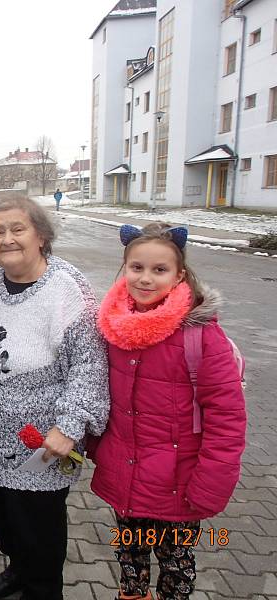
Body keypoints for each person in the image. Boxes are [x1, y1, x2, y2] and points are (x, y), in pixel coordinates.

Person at [89, 222, 246, 600]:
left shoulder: (200, 335)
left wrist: (210, 485)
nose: (145, 279)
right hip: (126, 476)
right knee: (130, 557)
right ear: (124, 268)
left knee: (175, 564)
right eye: (136, 267)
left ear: (179, 276)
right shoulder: (113, 327)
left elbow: (227, 420)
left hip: (180, 485)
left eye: (159, 270)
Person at [0, 196, 109, 600]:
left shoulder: (65, 287)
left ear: (42, 236)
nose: (6, 239)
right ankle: (18, 570)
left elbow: (90, 363)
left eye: (17, 229)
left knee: (39, 528)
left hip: (42, 443)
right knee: (2, 517)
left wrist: (70, 425)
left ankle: (43, 588)